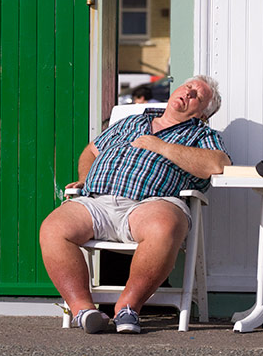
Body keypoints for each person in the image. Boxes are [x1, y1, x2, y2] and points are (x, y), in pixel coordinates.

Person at [39, 75, 231, 334]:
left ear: (202, 114)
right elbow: (91, 151)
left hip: (151, 204)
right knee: (53, 228)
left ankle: (128, 307)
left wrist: (161, 147)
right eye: (188, 87)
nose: (188, 93)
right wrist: (85, 179)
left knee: (164, 228)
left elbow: (218, 164)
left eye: (197, 95)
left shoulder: (201, 134)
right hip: (98, 200)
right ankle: (83, 310)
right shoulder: (133, 121)